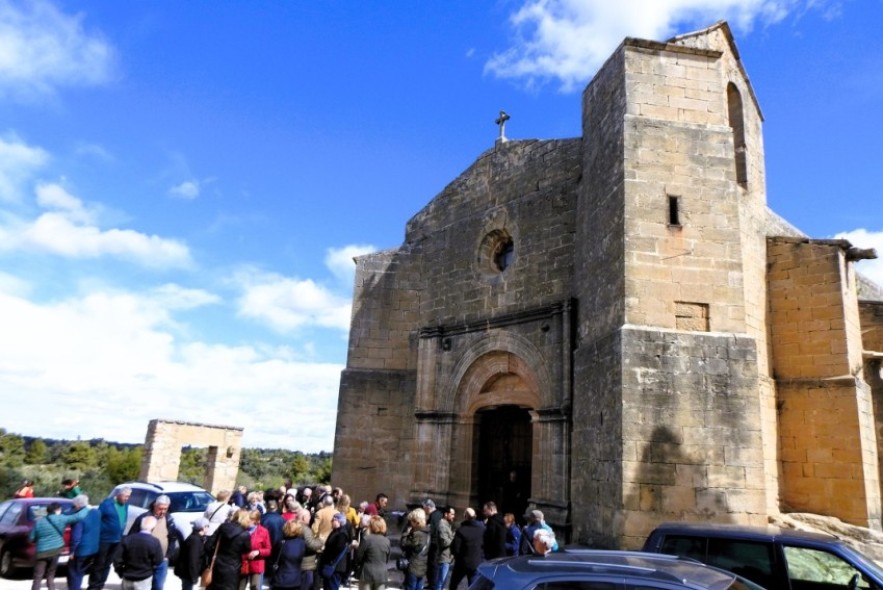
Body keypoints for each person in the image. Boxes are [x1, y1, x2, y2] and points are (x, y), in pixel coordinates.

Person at [30, 500, 90, 590]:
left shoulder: (39, 522)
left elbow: (31, 538)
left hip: (41, 552)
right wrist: (86, 507)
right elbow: (78, 516)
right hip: (55, 551)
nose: (61, 511)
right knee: (51, 574)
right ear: (57, 510)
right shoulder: (62, 518)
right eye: (60, 509)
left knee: (38, 577)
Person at [128, 495, 181, 590]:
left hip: (162, 560)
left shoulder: (169, 520)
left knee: (158, 586)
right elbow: (131, 538)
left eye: (165, 509)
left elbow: (172, 539)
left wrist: (167, 556)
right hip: (144, 560)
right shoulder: (143, 518)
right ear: (154, 506)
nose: (163, 511)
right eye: (160, 509)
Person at [88, 485, 131, 590]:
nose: (127, 499)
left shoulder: (126, 505)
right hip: (104, 539)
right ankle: (94, 586)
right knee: (99, 564)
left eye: (128, 496)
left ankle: (101, 584)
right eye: (125, 496)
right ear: (119, 495)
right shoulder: (107, 504)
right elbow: (97, 519)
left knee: (107, 564)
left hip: (117, 539)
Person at [204, 508, 253, 590]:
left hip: (217, 565)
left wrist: (211, 557)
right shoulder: (245, 534)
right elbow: (247, 550)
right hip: (233, 568)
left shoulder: (223, 527)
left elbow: (208, 545)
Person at [114, 515, 164, 590]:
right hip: (144, 578)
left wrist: (120, 572)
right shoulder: (155, 542)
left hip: (127, 576)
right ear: (153, 528)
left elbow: (117, 559)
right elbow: (158, 561)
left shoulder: (128, 539)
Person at [68, 494, 101, 590]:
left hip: (81, 550)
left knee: (75, 573)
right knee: (82, 571)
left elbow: (76, 537)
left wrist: (72, 551)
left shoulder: (79, 517)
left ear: (78, 505)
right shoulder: (97, 513)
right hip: (94, 549)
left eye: (74, 506)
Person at [448, 508, 484, 590]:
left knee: (453, 584)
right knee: (473, 586)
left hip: (462, 563)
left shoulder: (461, 530)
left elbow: (456, 549)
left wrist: (456, 556)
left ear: (465, 516)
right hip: (476, 562)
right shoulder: (482, 529)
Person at [354, 515, 389, 590]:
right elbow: (387, 559)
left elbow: (358, 557)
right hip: (381, 574)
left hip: (366, 573)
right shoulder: (387, 541)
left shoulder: (366, 539)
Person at [174, 518, 210, 590]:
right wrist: (193, 577)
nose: (208, 528)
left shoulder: (197, 538)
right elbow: (193, 560)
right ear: (203, 527)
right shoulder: (195, 541)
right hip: (188, 573)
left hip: (188, 573)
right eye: (207, 526)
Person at [240, 509, 271, 590]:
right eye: (248, 518)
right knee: (240, 587)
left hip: (257, 565)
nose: (248, 521)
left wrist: (258, 552)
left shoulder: (263, 531)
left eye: (251, 519)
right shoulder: (242, 529)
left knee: (255, 587)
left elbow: (268, 550)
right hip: (243, 563)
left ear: (256, 521)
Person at [271, 519, 306, 590]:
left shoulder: (280, 543)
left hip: (280, 578)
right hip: (296, 579)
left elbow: (273, 558)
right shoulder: (302, 543)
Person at [318, 513, 350, 590]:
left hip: (335, 565)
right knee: (328, 586)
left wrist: (327, 554)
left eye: (333, 520)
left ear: (338, 521)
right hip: (331, 564)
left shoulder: (342, 534)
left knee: (332, 586)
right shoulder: (336, 531)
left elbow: (338, 549)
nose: (331, 521)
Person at [400, 508, 430, 590]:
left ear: (417, 522)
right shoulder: (427, 533)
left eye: (411, 521)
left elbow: (403, 544)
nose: (410, 523)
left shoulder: (416, 534)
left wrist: (406, 533)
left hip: (413, 566)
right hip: (423, 566)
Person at [431, 507, 455, 590]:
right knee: (440, 583)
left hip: (447, 557)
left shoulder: (447, 525)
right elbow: (445, 542)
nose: (453, 516)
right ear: (446, 514)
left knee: (442, 582)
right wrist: (454, 538)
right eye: (452, 514)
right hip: (443, 557)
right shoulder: (442, 525)